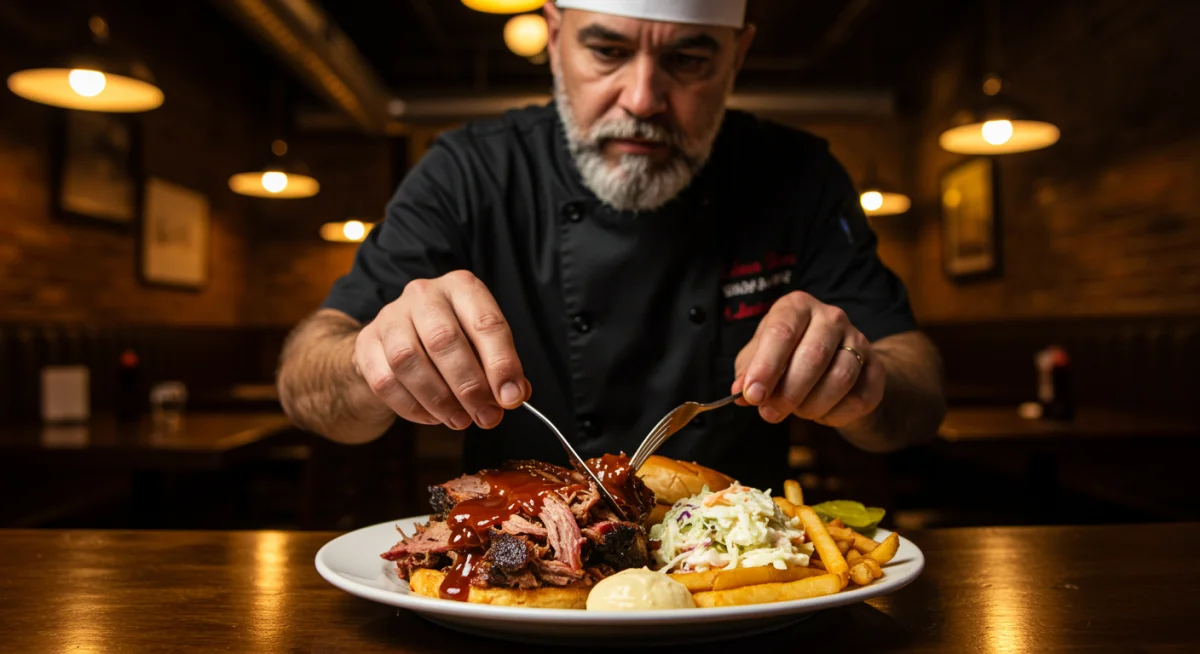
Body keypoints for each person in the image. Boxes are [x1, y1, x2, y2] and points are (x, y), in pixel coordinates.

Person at [276, 0, 945, 489]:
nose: (644, 97)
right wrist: (372, 366)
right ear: (555, 35)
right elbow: (305, 377)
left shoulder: (800, 175)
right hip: (515, 574)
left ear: (737, 55)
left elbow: (920, 392)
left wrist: (866, 382)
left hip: (738, 583)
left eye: (688, 59)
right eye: (607, 52)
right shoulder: (467, 172)